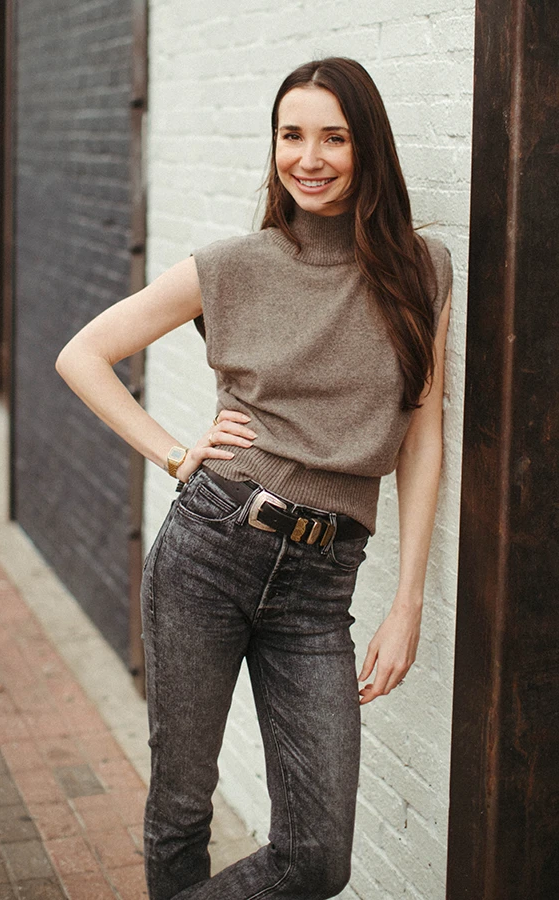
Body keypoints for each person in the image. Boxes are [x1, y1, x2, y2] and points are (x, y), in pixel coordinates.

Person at [56, 56, 451, 900]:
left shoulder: (424, 271)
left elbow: (422, 434)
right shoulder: (233, 265)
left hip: (322, 587)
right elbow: (81, 354)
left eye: (333, 137)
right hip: (210, 548)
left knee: (317, 854)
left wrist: (408, 599)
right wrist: (172, 451)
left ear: (368, 147)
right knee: (180, 812)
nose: (308, 157)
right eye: (291, 135)